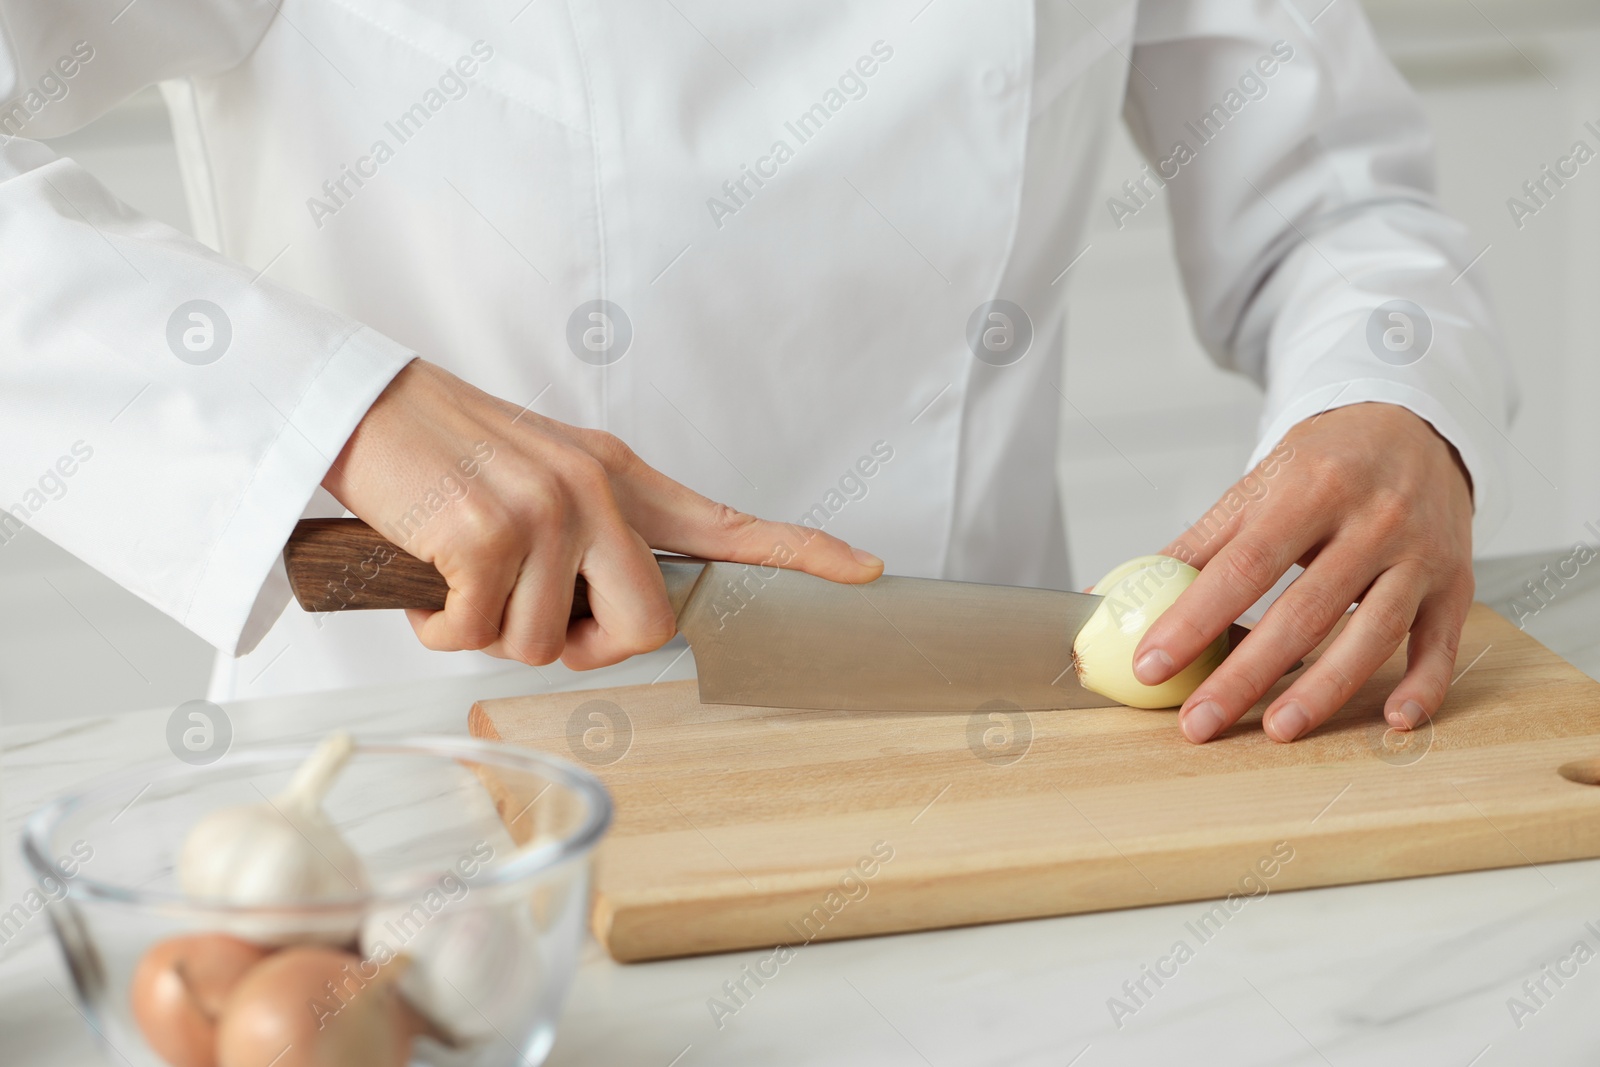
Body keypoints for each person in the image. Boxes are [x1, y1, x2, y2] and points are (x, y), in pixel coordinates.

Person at [0, 0, 1511, 744]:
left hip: (996, 760)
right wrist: (338, 407)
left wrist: (1394, 409)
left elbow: (1336, 198)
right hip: (424, 797)